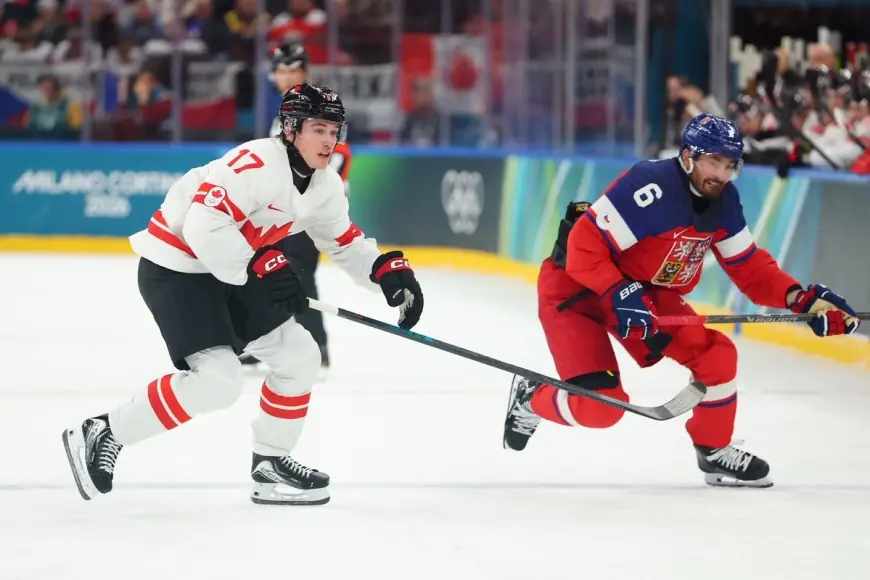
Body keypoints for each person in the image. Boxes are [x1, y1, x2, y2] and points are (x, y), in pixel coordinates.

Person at [62, 84, 424, 505]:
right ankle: (106, 430)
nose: (330, 141)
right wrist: (262, 266)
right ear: (291, 129)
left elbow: (343, 240)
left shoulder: (323, 185)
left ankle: (270, 463)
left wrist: (382, 272)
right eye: (319, 129)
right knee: (218, 382)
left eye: (334, 130)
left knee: (299, 354)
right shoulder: (255, 164)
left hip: (233, 267)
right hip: (178, 267)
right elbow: (202, 226)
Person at [503, 113, 860, 488]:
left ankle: (714, 450)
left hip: (640, 292)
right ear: (688, 156)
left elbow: (750, 268)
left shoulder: (725, 203)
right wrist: (619, 290)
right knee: (599, 408)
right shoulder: (651, 185)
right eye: (712, 161)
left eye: (728, 165)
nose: (720, 174)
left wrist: (800, 299)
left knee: (718, 355)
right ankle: (532, 398)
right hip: (576, 289)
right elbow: (583, 246)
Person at [239, 43, 352, 372]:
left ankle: (315, 345)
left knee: (300, 275)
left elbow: (339, 154)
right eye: (281, 70)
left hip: (310, 211)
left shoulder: (319, 105)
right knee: (272, 273)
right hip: (283, 211)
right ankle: (272, 343)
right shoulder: (284, 114)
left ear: (305, 72)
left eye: (293, 69)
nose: (286, 76)